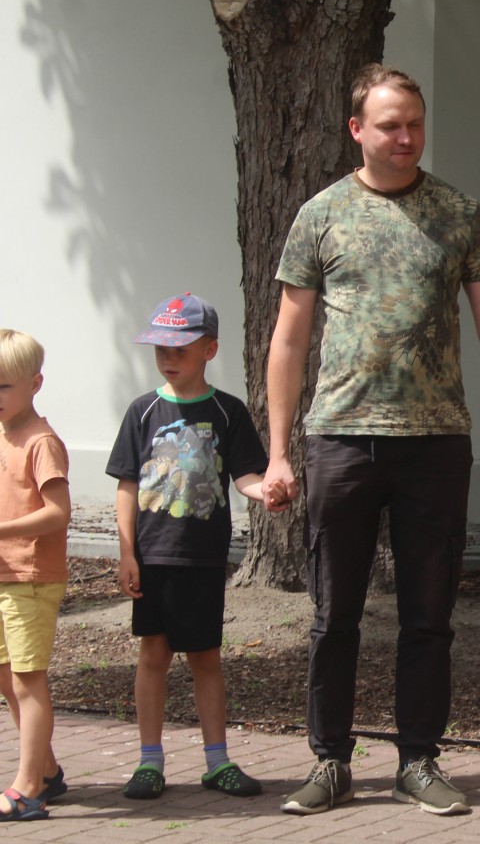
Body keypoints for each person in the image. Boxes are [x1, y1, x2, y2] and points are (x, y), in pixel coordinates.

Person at [264, 64, 480, 818]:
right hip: (341, 440)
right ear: (358, 129)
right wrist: (279, 451)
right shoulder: (321, 214)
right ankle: (329, 761)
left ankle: (418, 760)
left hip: (436, 442)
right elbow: (288, 340)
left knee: (428, 617)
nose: (406, 137)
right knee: (333, 616)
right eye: (390, 125)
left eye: (414, 123)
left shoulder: (457, 213)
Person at [106, 294, 288, 801]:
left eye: (180, 349)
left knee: (205, 657)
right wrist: (126, 553)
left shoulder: (228, 411)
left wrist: (267, 492)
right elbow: (126, 484)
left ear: (209, 349)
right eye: (160, 348)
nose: (168, 358)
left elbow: (246, 476)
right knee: (153, 655)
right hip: (152, 558)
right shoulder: (142, 411)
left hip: (203, 558)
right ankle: (149, 762)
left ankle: (217, 762)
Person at [0, 330, 70, 821]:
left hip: (31, 577)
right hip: (4, 575)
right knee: (7, 679)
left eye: (4, 385)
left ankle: (27, 790)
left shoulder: (42, 442)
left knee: (27, 680)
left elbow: (58, 512)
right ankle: (45, 770)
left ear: (35, 384)